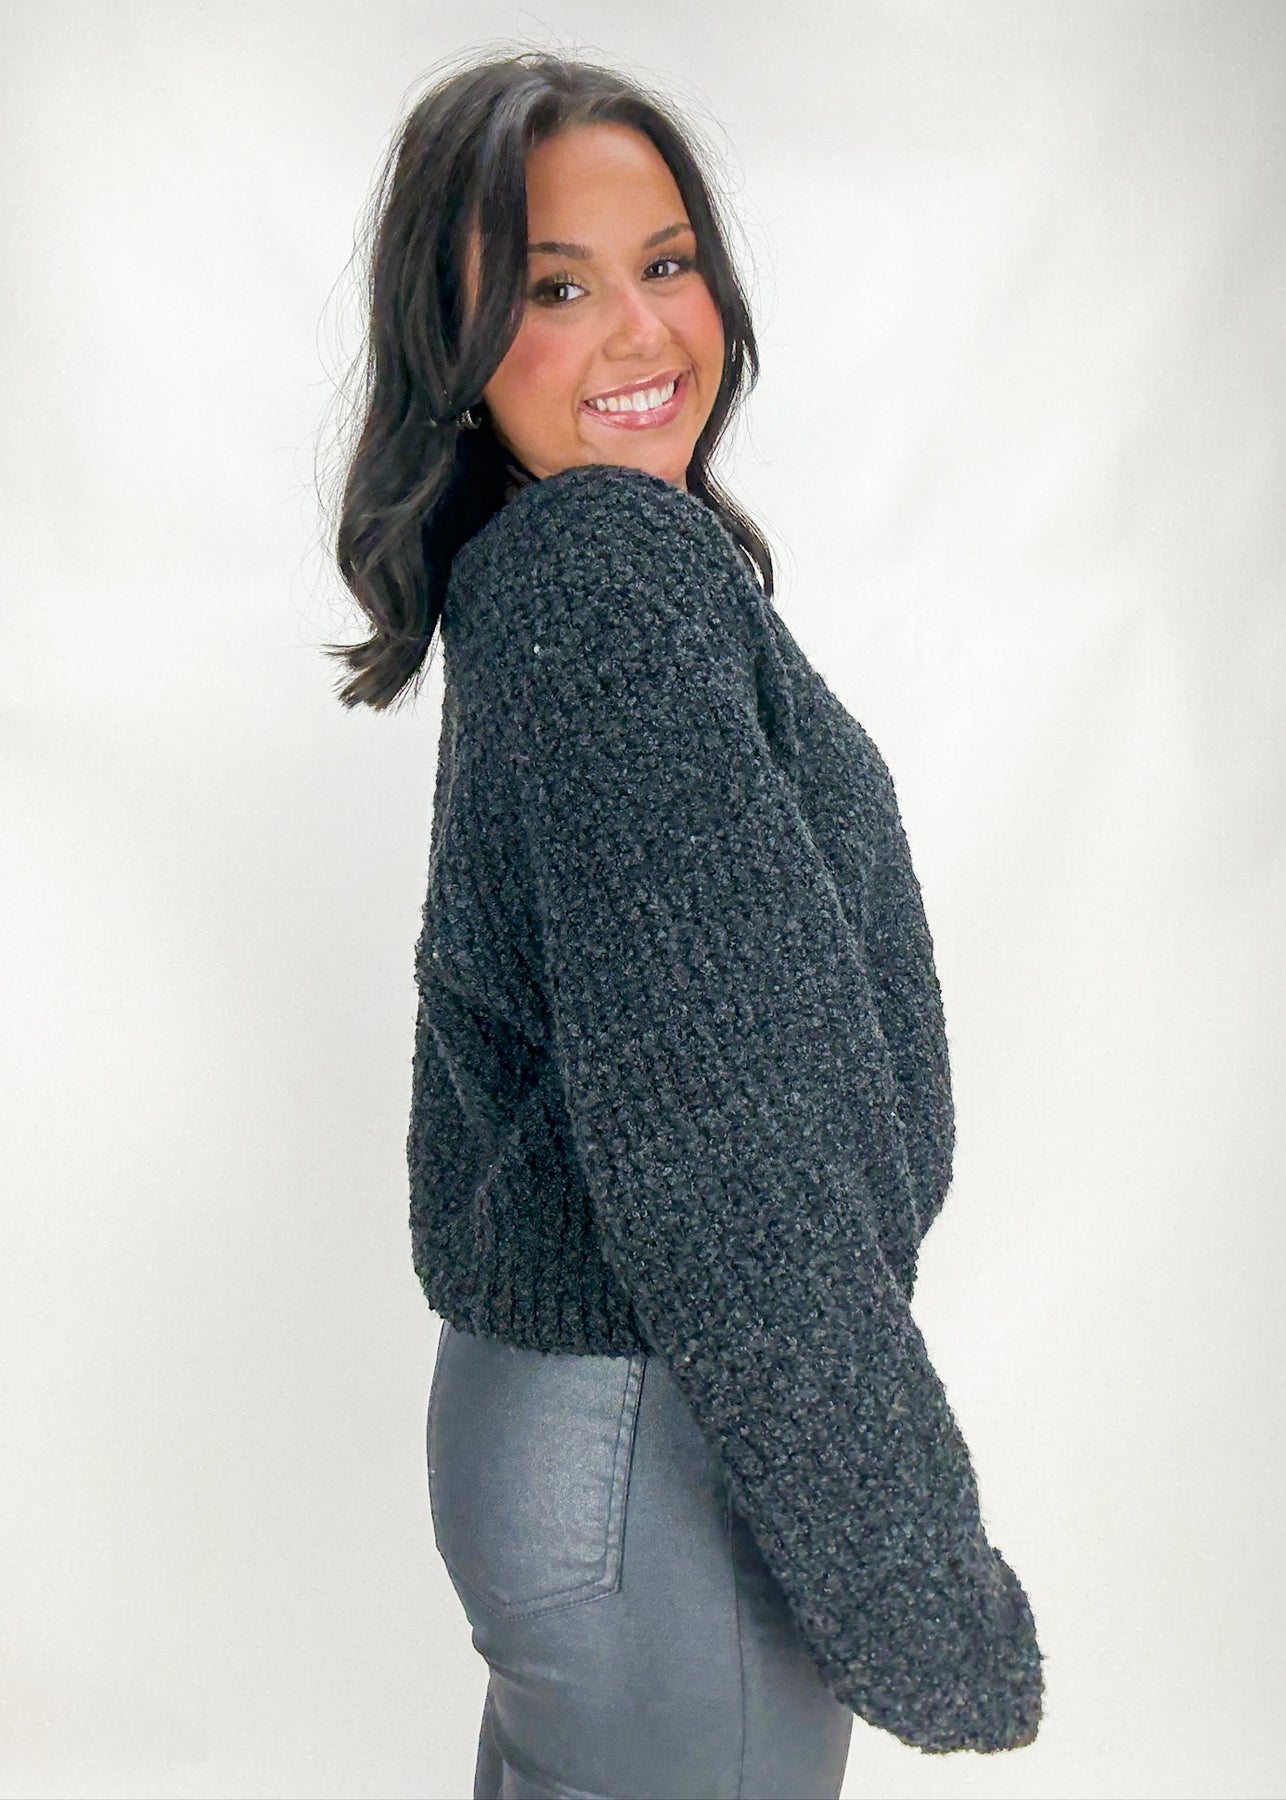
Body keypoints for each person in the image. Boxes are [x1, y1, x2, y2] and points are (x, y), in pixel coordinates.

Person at [326, 49, 1044, 1800]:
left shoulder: (565, 574)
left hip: (581, 1436)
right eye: (555, 290)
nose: (643, 331)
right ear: (453, 344)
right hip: (656, 1443)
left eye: (665, 263)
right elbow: (733, 1130)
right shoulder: (603, 577)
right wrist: (915, 1580)